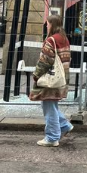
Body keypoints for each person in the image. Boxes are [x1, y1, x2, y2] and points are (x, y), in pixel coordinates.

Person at [29, 15, 73, 147]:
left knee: (49, 107)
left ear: (52, 25)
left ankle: (52, 137)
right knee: (50, 105)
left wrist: (36, 75)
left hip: (50, 79)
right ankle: (64, 126)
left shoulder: (51, 40)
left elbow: (45, 61)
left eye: (47, 24)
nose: (46, 26)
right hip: (61, 78)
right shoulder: (64, 39)